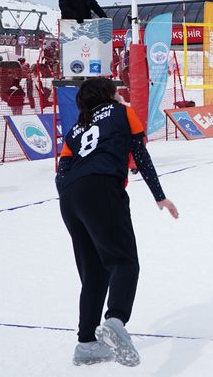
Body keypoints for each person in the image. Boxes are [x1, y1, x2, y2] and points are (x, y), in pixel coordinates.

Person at [56, 77, 178, 367]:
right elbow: (140, 155)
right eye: (116, 91)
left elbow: (62, 171)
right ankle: (115, 321)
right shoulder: (122, 111)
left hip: (70, 197)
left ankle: (86, 344)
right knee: (124, 262)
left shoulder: (76, 127)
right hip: (101, 187)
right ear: (109, 95)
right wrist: (159, 195)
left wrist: (75, 198)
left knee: (94, 273)